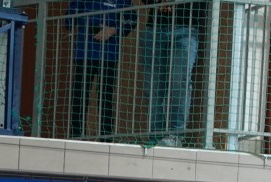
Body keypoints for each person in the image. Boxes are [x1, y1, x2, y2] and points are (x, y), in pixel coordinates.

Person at [140, 0, 205, 145]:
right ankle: (156, 135)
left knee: (179, 82)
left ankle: (176, 136)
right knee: (153, 85)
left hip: (186, 28)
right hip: (155, 28)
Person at [68, 0, 134, 140]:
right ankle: (76, 137)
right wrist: (86, 22)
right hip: (84, 52)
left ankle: (106, 138)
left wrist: (113, 30)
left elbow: (132, 19)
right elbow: (69, 19)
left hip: (109, 54)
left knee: (106, 97)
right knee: (79, 95)